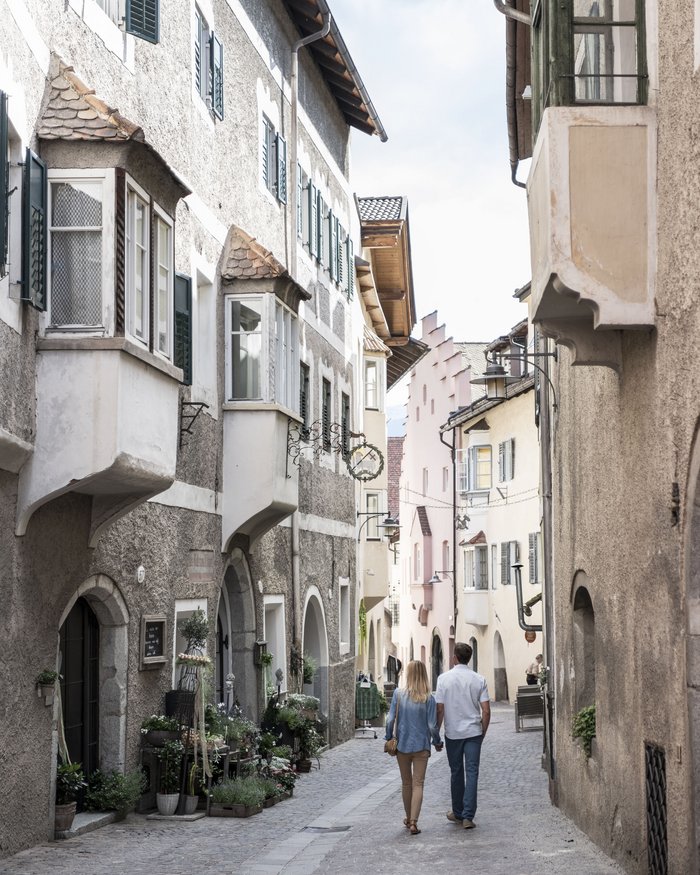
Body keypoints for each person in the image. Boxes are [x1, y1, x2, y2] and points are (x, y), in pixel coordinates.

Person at [435, 641, 490, 830]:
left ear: (454, 658)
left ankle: (458, 812)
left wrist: (436, 733)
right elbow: (486, 710)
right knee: (472, 772)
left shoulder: (443, 679)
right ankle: (468, 816)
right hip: (473, 731)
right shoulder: (479, 679)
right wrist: (482, 732)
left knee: (456, 772)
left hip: (453, 733)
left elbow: (440, 709)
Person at [384, 660, 443, 836]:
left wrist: (388, 737)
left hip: (402, 746)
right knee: (418, 784)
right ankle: (414, 823)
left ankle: (408, 817)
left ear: (408, 674)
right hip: (421, 747)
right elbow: (432, 726)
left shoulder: (398, 694)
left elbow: (389, 719)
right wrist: (437, 742)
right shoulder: (429, 698)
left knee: (406, 783)